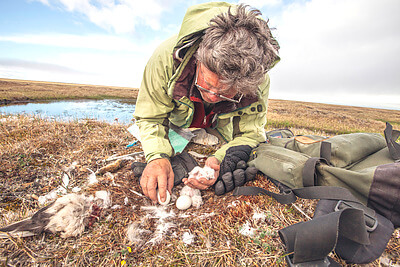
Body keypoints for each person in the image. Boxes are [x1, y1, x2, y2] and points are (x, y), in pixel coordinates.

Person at [133, 2, 280, 204]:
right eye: (207, 84)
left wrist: (221, 158)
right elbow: (150, 117)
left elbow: (251, 133)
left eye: (225, 94)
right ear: (198, 57)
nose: (211, 97)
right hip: (178, 124)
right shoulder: (166, 58)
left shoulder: (257, 80)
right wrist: (157, 156)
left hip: (217, 131)